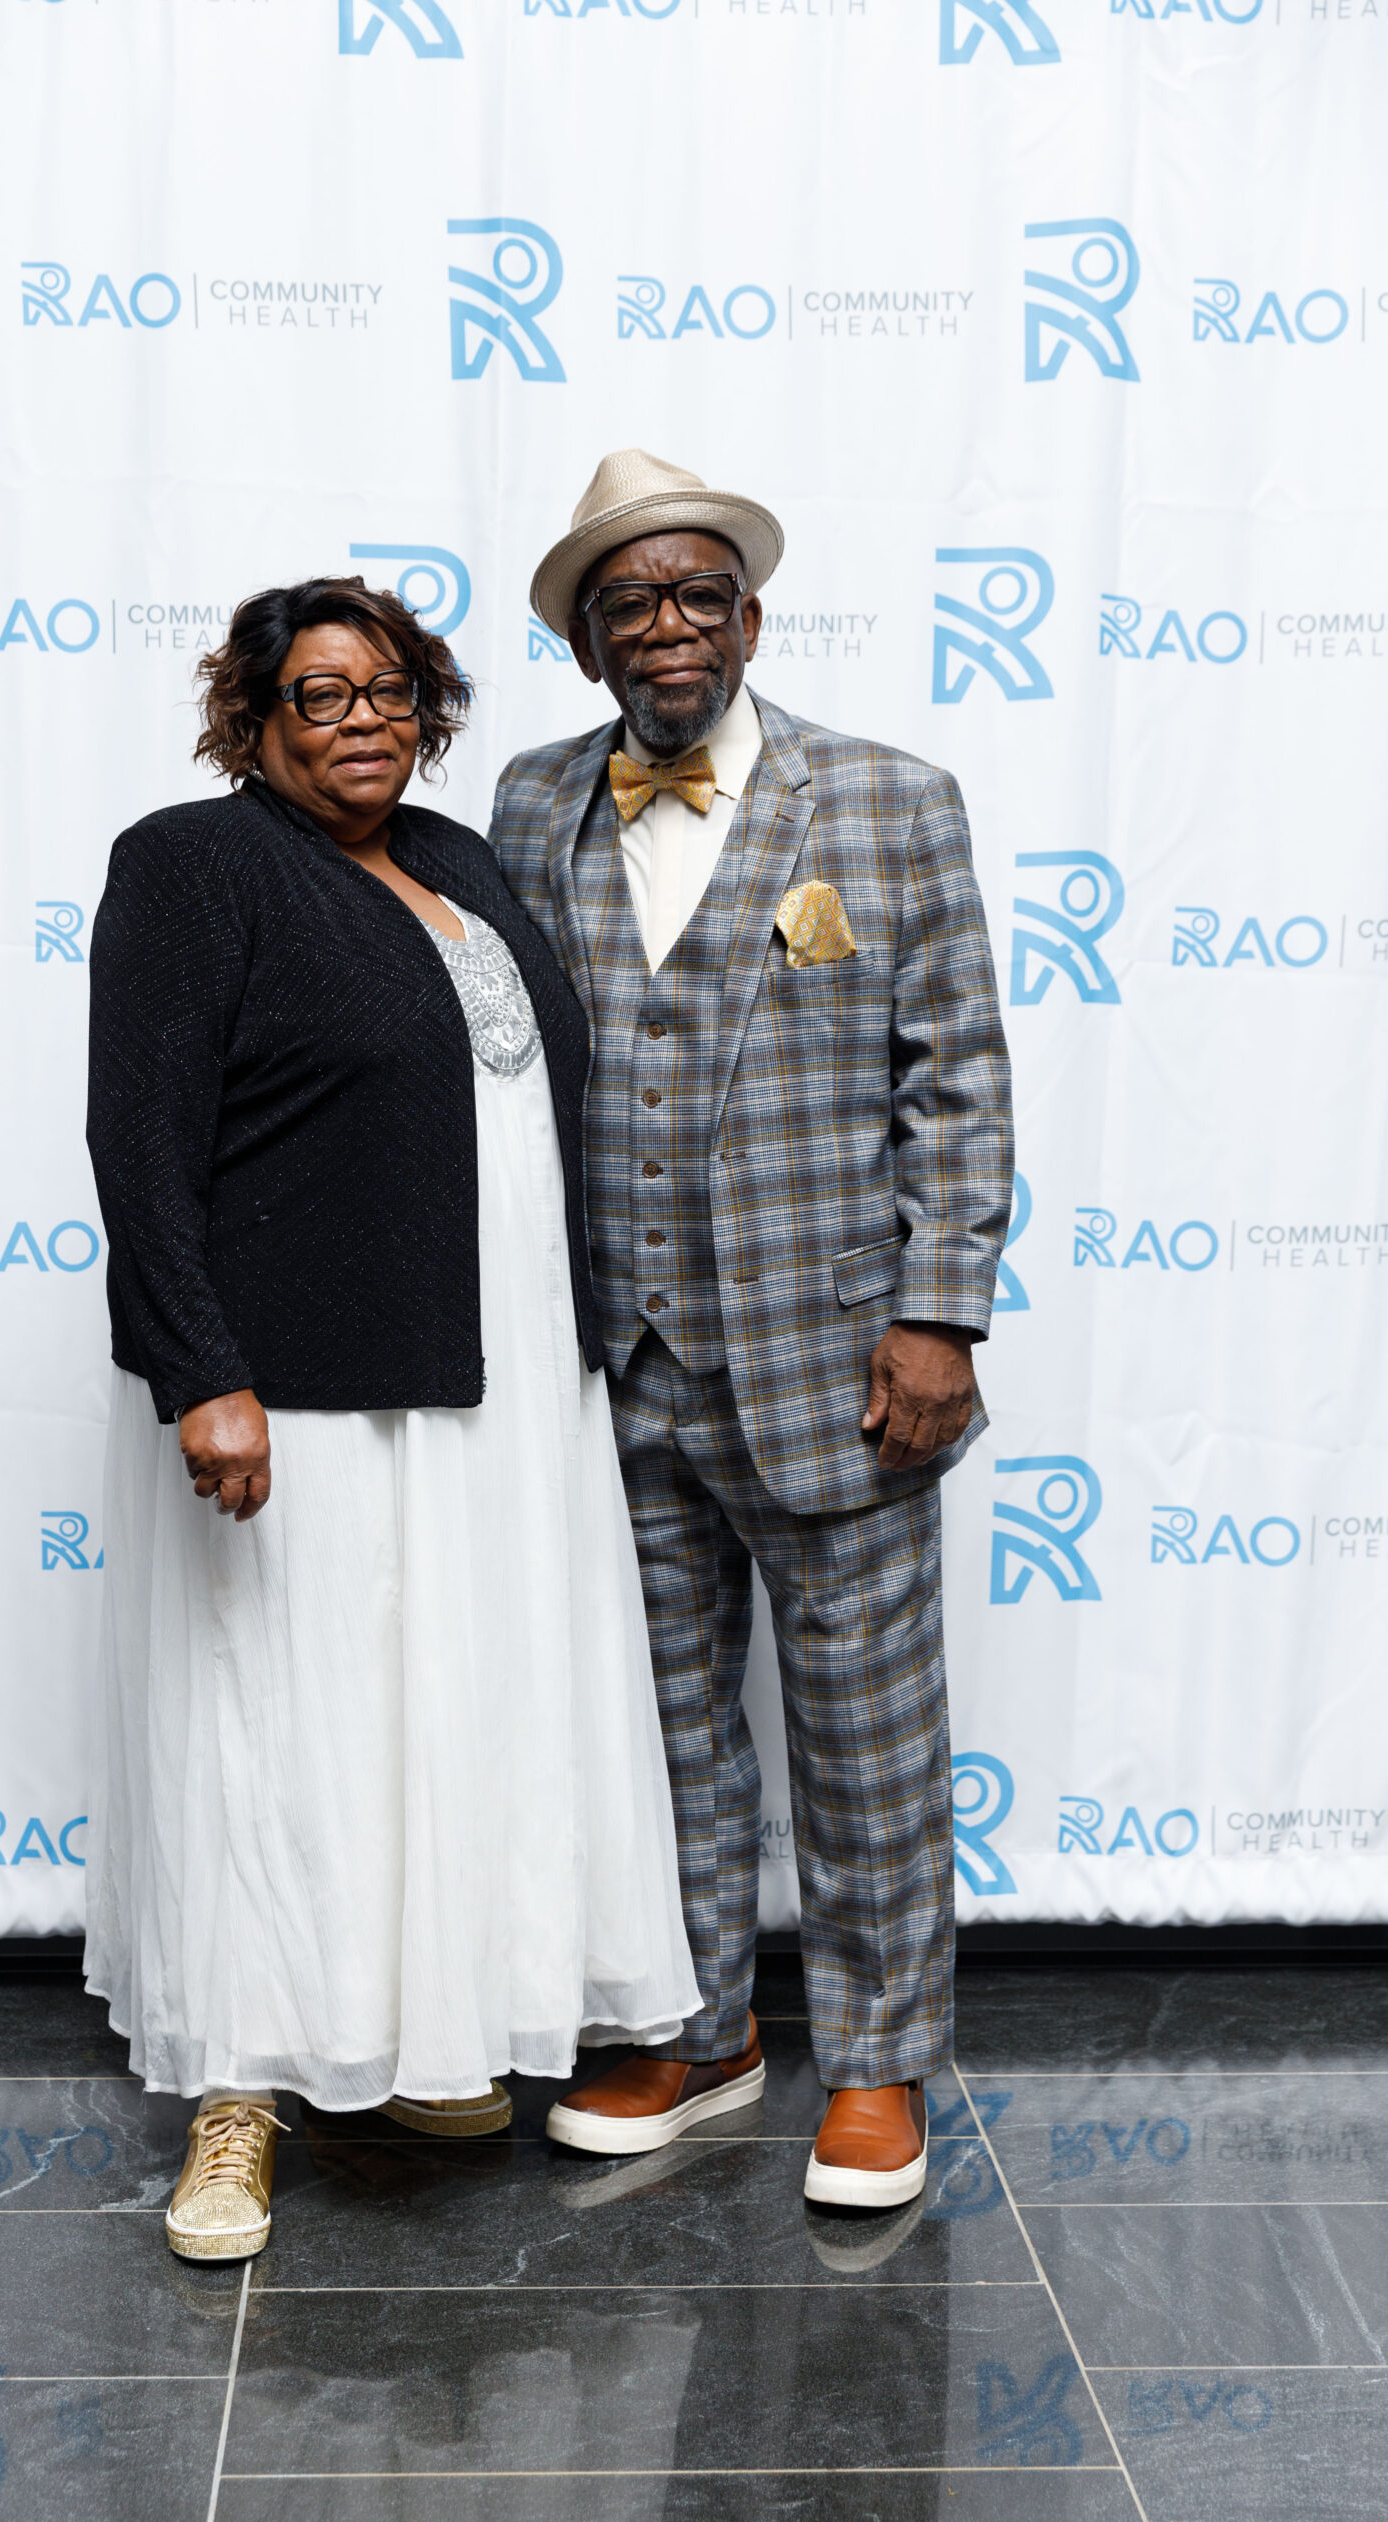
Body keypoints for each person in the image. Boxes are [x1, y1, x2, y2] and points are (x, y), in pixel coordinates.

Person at [84, 574, 700, 2263]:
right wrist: (202, 1373)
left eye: (390, 691)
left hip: (492, 1382)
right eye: (320, 694)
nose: (362, 720)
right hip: (301, 1383)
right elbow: (140, 1138)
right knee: (272, 1730)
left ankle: (416, 2041)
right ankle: (236, 2101)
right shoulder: (193, 863)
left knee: (434, 1722)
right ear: (254, 720)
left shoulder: (455, 859)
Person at [492, 451, 1013, 2208]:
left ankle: (876, 2062)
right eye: (630, 602)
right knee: (655, 1731)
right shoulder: (527, 804)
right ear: (587, 643)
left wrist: (939, 1316)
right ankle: (694, 2027)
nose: (669, 625)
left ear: (752, 621)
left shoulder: (889, 802)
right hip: (608, 1362)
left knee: (866, 1732)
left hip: (835, 1364)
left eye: (699, 595)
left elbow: (958, 1079)